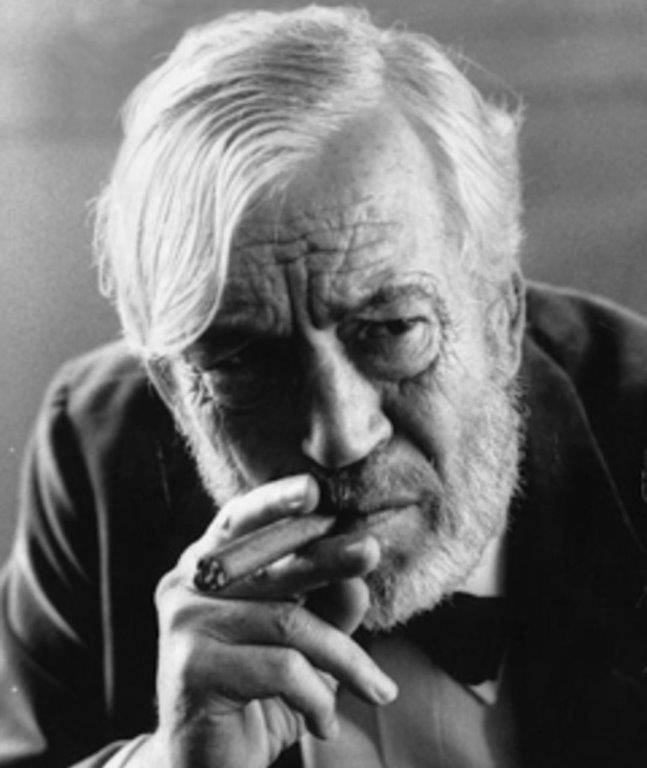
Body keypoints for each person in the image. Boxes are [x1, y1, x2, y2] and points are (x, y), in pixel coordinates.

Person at [2, 5, 647, 767]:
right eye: (245, 362)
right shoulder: (97, 441)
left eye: (392, 329)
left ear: (502, 320)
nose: (338, 436)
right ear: (175, 392)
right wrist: (175, 758)